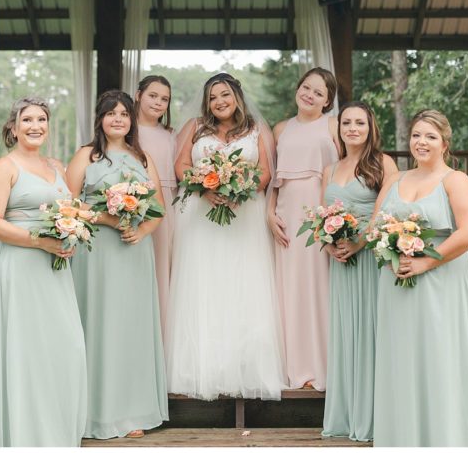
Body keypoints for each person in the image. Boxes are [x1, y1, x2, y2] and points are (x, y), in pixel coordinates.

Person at [372, 109, 468, 447]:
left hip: (440, 282)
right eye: (416, 135)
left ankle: (446, 439)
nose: (421, 142)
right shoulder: (395, 180)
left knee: (440, 357)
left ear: (444, 144)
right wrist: (387, 249)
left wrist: (425, 262)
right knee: (402, 358)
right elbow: (374, 229)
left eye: (430, 136)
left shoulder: (455, 180)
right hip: (396, 282)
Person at [0, 98, 87, 447]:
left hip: (55, 269)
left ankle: (53, 431)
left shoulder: (56, 166)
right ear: (13, 127)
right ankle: (23, 436)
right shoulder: (5, 167)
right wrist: (40, 242)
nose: (35, 125)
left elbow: (71, 209)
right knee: (26, 350)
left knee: (63, 347)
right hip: (20, 267)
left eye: (41, 119)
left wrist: (71, 235)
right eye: (27, 120)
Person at [165, 72, 286, 400]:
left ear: (237, 96)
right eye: (213, 97)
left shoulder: (256, 130)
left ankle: (246, 367)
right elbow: (181, 164)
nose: (219, 102)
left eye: (224, 95)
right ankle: (201, 368)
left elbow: (265, 170)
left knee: (244, 284)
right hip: (201, 216)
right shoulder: (194, 127)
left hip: (245, 216)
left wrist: (242, 190)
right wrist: (204, 188)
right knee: (205, 285)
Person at [66, 90, 168, 440]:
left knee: (129, 329)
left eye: (125, 113)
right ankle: (92, 412)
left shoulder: (142, 158)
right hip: (95, 253)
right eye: (111, 113)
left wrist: (141, 230)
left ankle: (131, 411)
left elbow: (158, 208)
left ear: (131, 119)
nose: (118, 119)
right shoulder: (85, 155)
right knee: (97, 325)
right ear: (100, 118)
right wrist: (108, 219)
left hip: (133, 252)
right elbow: (70, 207)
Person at [321, 102, 398, 442]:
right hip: (341, 264)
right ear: (339, 129)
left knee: (370, 330)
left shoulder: (382, 163)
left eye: (360, 123)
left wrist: (359, 243)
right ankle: (347, 413)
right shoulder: (330, 169)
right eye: (347, 123)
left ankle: (373, 417)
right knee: (345, 333)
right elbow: (320, 215)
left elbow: (388, 212)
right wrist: (327, 244)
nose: (353, 128)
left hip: (369, 260)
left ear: (371, 128)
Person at [266, 67, 340, 390]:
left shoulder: (333, 125)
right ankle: (291, 367)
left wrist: (329, 218)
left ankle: (322, 366)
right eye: (306, 88)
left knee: (318, 287)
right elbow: (272, 179)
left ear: (327, 102)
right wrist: (269, 214)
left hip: (320, 212)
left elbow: (343, 168)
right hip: (285, 214)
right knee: (289, 290)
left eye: (319, 93)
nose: (310, 95)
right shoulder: (281, 129)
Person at [134, 75, 176, 342]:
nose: (158, 103)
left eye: (164, 99)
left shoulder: (172, 135)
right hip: (135, 207)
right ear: (138, 95)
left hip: (170, 209)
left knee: (166, 272)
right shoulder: (127, 131)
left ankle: (164, 340)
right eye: (153, 96)